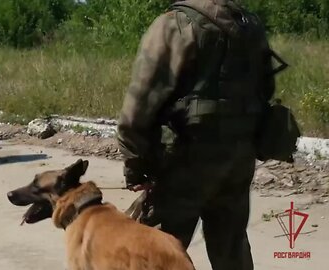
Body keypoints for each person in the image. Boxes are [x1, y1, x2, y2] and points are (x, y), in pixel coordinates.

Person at [117, 0, 279, 269]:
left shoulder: (174, 25)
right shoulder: (249, 26)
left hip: (183, 163)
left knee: (154, 253)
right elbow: (266, 92)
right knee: (231, 251)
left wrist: (136, 166)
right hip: (237, 161)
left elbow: (137, 110)